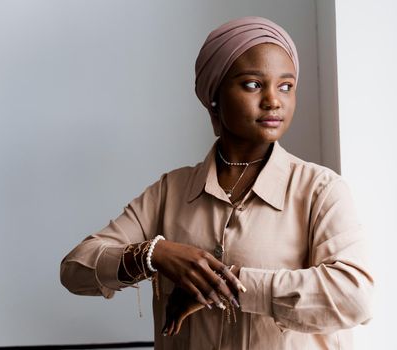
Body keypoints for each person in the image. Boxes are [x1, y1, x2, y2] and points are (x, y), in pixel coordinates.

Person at [60, 16, 374, 350]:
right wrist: (155, 254)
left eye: (286, 86)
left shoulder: (320, 190)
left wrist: (231, 284)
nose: (273, 100)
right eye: (253, 84)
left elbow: (354, 297)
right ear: (215, 96)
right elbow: (76, 269)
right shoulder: (171, 192)